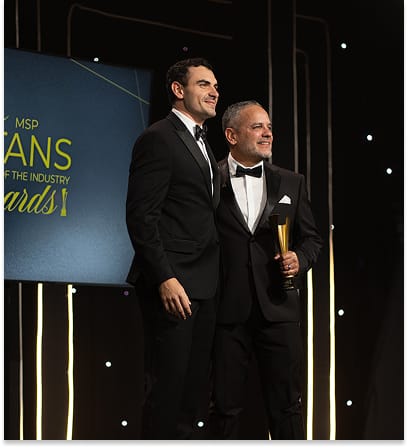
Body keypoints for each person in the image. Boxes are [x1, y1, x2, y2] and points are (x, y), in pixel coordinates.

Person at [211, 100, 323, 439]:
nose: (267, 133)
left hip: (278, 307)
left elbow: (312, 240)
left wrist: (299, 259)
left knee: (287, 406)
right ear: (232, 135)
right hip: (226, 311)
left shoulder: (292, 182)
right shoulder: (209, 177)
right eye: (257, 126)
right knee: (224, 408)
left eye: (269, 127)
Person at [125, 58, 220, 439]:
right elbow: (141, 216)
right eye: (204, 84)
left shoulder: (203, 142)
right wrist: (164, 277)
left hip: (204, 285)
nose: (214, 92)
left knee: (190, 394)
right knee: (166, 390)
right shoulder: (159, 138)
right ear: (179, 90)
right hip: (173, 285)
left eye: (215, 85)